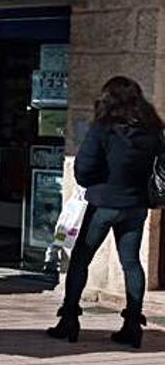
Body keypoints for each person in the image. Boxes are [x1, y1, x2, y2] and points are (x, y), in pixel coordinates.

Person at [47, 76, 164, 348]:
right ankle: (133, 324)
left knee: (80, 259)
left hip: (102, 204)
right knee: (132, 263)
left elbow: (84, 169)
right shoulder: (152, 131)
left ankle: (69, 320)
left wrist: (97, 180)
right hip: (135, 206)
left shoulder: (103, 129)